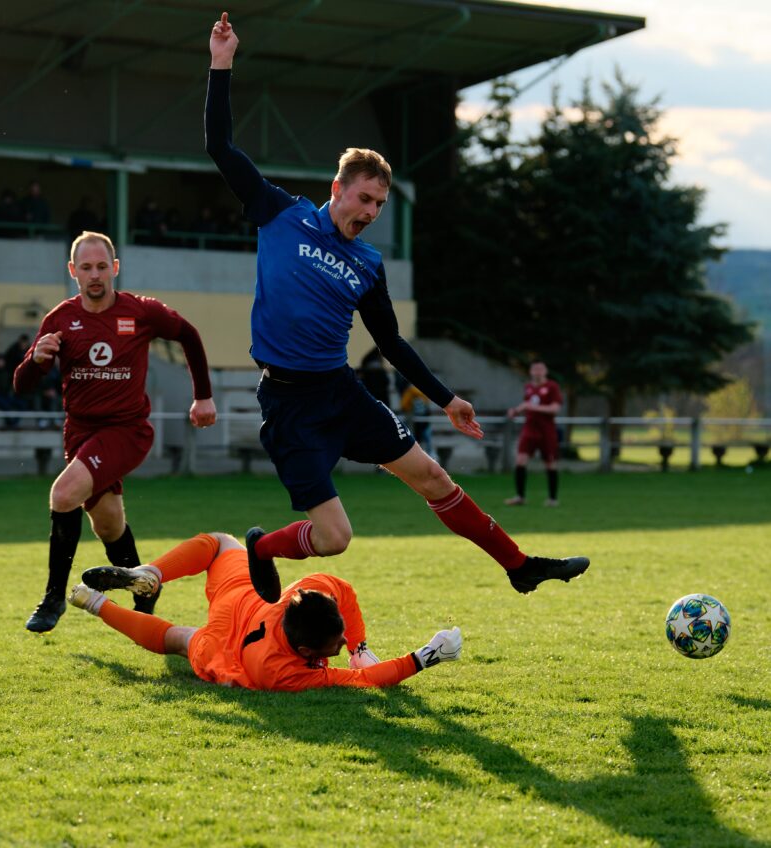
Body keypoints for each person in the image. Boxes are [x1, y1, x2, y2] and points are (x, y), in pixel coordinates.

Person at [205, 13, 589, 602]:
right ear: (337, 189)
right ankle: (261, 547)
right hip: (288, 402)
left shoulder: (369, 265)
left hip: (341, 391)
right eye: (364, 198)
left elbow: (390, 344)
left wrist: (448, 399)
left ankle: (519, 565)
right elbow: (220, 147)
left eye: (380, 204)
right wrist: (222, 64)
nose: (370, 212)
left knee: (434, 476)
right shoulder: (280, 213)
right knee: (334, 537)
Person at [13, 230, 217, 633]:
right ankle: (144, 585)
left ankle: (54, 597)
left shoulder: (140, 312)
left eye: (102, 267)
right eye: (86, 267)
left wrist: (203, 398)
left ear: (115, 268)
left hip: (126, 430)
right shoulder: (59, 319)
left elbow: (189, 336)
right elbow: (22, 385)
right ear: (73, 271)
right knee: (107, 523)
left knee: (63, 492)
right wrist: (35, 361)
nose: (95, 275)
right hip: (81, 433)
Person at [69, 532, 463, 691]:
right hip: (226, 650)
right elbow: (367, 681)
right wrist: (425, 657)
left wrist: (358, 644)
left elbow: (339, 589)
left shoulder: (305, 596)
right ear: (307, 653)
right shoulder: (285, 674)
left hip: (244, 601)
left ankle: (151, 573)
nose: (341, 641)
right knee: (178, 638)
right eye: (337, 642)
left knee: (220, 542)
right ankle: (94, 602)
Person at [505, 361, 564, 507]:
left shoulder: (552, 386)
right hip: (529, 429)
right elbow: (527, 405)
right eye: (535, 369)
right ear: (531, 371)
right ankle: (520, 497)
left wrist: (532, 407)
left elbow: (555, 409)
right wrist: (516, 411)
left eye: (540, 369)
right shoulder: (529, 387)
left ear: (545, 371)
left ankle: (552, 499)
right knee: (520, 460)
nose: (537, 372)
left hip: (546, 430)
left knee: (550, 462)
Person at [0, 353, 29, 429]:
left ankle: (13, 423)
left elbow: (11, 384)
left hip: (6, 396)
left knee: (22, 404)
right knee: (6, 406)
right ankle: (11, 424)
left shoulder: (7, 372)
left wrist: (10, 392)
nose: (0, 363)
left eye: (2, 361)